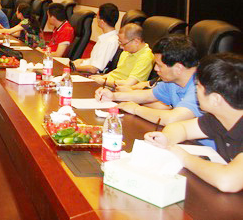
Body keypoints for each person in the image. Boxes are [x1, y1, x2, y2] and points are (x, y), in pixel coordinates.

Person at [145, 53, 243, 193]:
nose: (195, 91)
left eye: (198, 87)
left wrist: (183, 157)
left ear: (215, 99)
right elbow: (181, 127)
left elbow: (227, 181)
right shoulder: (218, 118)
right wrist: (166, 139)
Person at [95, 35, 210, 129]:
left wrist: (136, 109)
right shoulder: (173, 82)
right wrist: (113, 96)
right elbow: (146, 95)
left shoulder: (201, 87)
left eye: (159, 66)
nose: (155, 69)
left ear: (178, 68)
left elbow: (172, 119)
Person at [90, 23, 154, 88]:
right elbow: (118, 72)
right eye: (120, 43)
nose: (121, 47)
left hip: (118, 88)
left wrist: (104, 82)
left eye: (123, 44)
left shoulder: (145, 57)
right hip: (109, 83)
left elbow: (129, 84)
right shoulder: (128, 51)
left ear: (136, 41)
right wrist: (103, 77)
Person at [72, 3, 120, 74]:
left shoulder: (110, 41)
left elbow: (94, 69)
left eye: (97, 17)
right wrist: (81, 61)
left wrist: (73, 67)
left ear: (102, 22)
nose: (96, 19)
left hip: (91, 74)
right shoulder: (106, 38)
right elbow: (96, 60)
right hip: (86, 68)